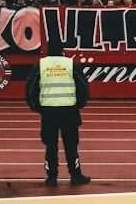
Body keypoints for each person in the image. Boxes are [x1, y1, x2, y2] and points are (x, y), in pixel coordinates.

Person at [25, 39, 91, 186]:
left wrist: (37, 107)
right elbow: (83, 87)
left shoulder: (41, 65)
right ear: (63, 50)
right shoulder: (70, 64)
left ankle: (51, 178)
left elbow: (30, 89)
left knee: (50, 146)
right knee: (71, 145)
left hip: (48, 112)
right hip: (69, 111)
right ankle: (76, 176)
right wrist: (78, 104)